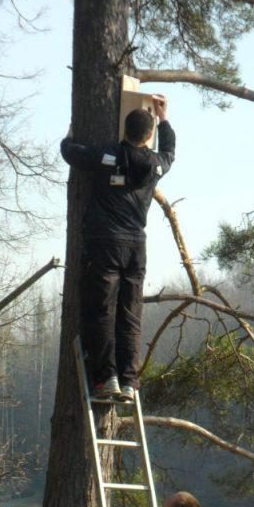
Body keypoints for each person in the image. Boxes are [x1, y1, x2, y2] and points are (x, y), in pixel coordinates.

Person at [60, 96, 176, 401]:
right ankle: (128, 380)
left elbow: (71, 152)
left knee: (102, 310)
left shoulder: (106, 156)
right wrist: (164, 118)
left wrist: (71, 131)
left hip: (104, 244)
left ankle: (106, 377)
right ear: (148, 136)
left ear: (124, 129)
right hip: (136, 246)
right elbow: (170, 153)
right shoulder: (155, 165)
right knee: (129, 312)